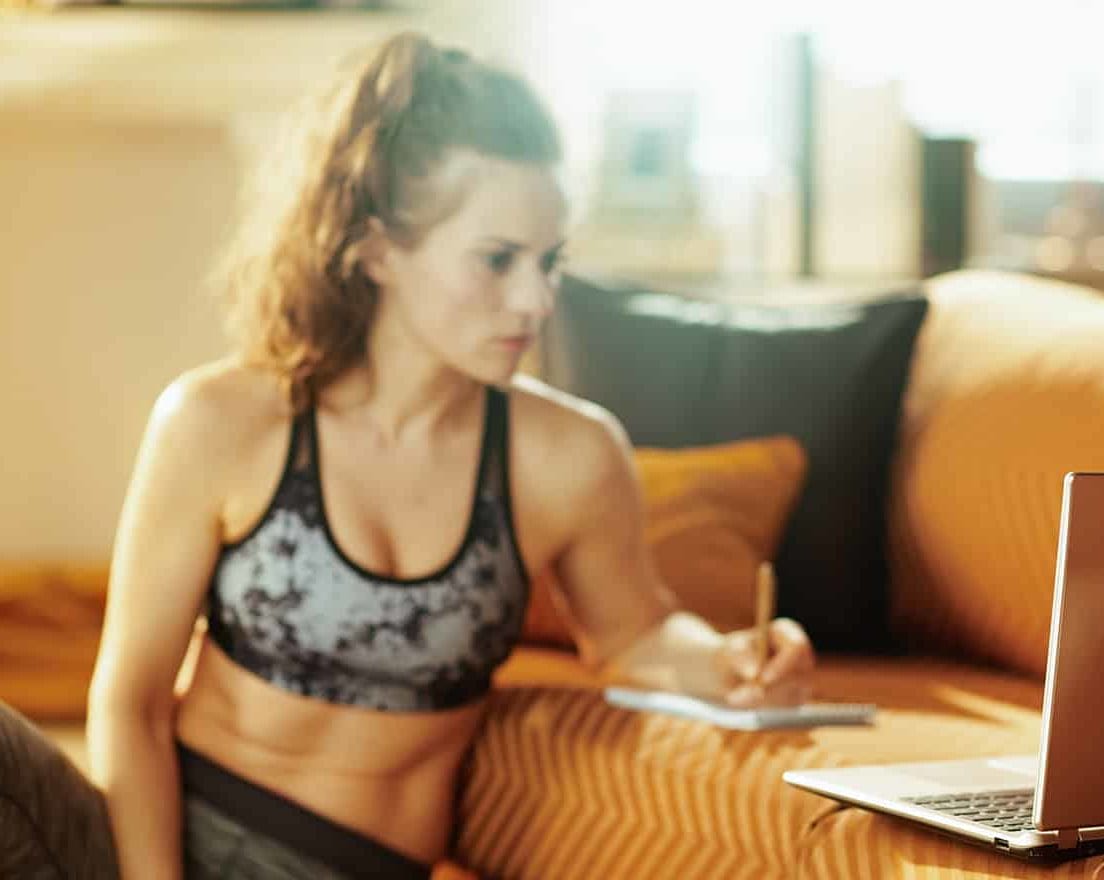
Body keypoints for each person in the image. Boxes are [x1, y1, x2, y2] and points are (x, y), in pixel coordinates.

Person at [0, 30, 815, 880]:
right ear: (376, 247)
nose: (535, 299)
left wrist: (729, 660)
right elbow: (130, 705)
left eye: (550, 261)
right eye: (497, 260)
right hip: (146, 850)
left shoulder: (566, 455)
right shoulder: (220, 423)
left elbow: (637, 633)